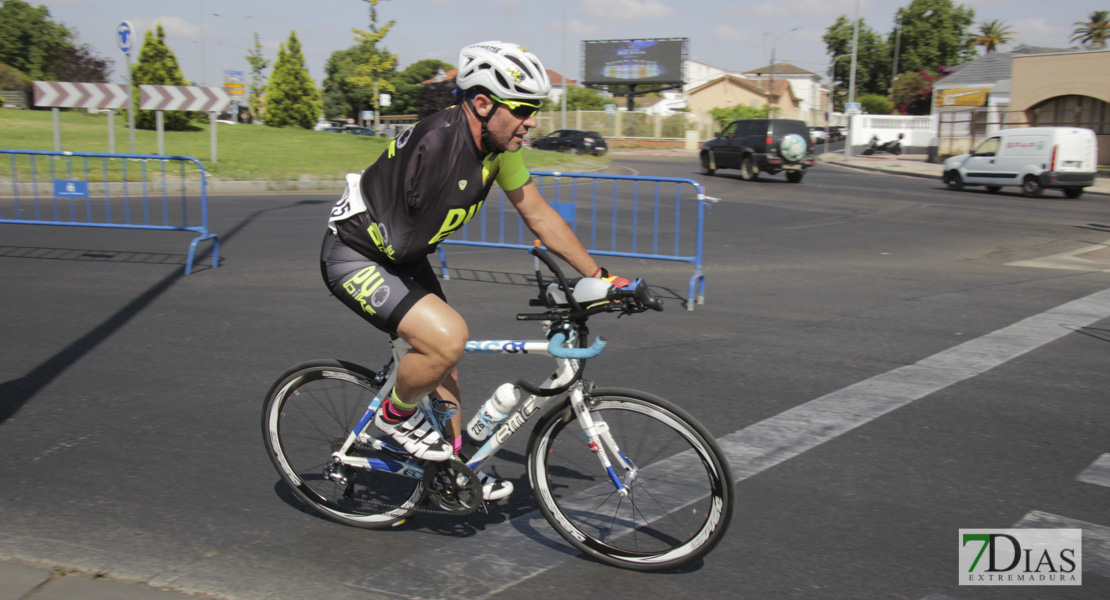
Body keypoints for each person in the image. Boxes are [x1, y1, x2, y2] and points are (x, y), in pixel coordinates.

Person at [320, 41, 631, 502]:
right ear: (482, 103)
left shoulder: (496, 146)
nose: (531, 122)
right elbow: (405, 231)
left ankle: (452, 465)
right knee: (447, 338)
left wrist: (601, 276)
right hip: (355, 255)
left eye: (535, 110)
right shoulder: (439, 144)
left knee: (445, 362)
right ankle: (393, 417)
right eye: (524, 109)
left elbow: (538, 213)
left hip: (400, 257)